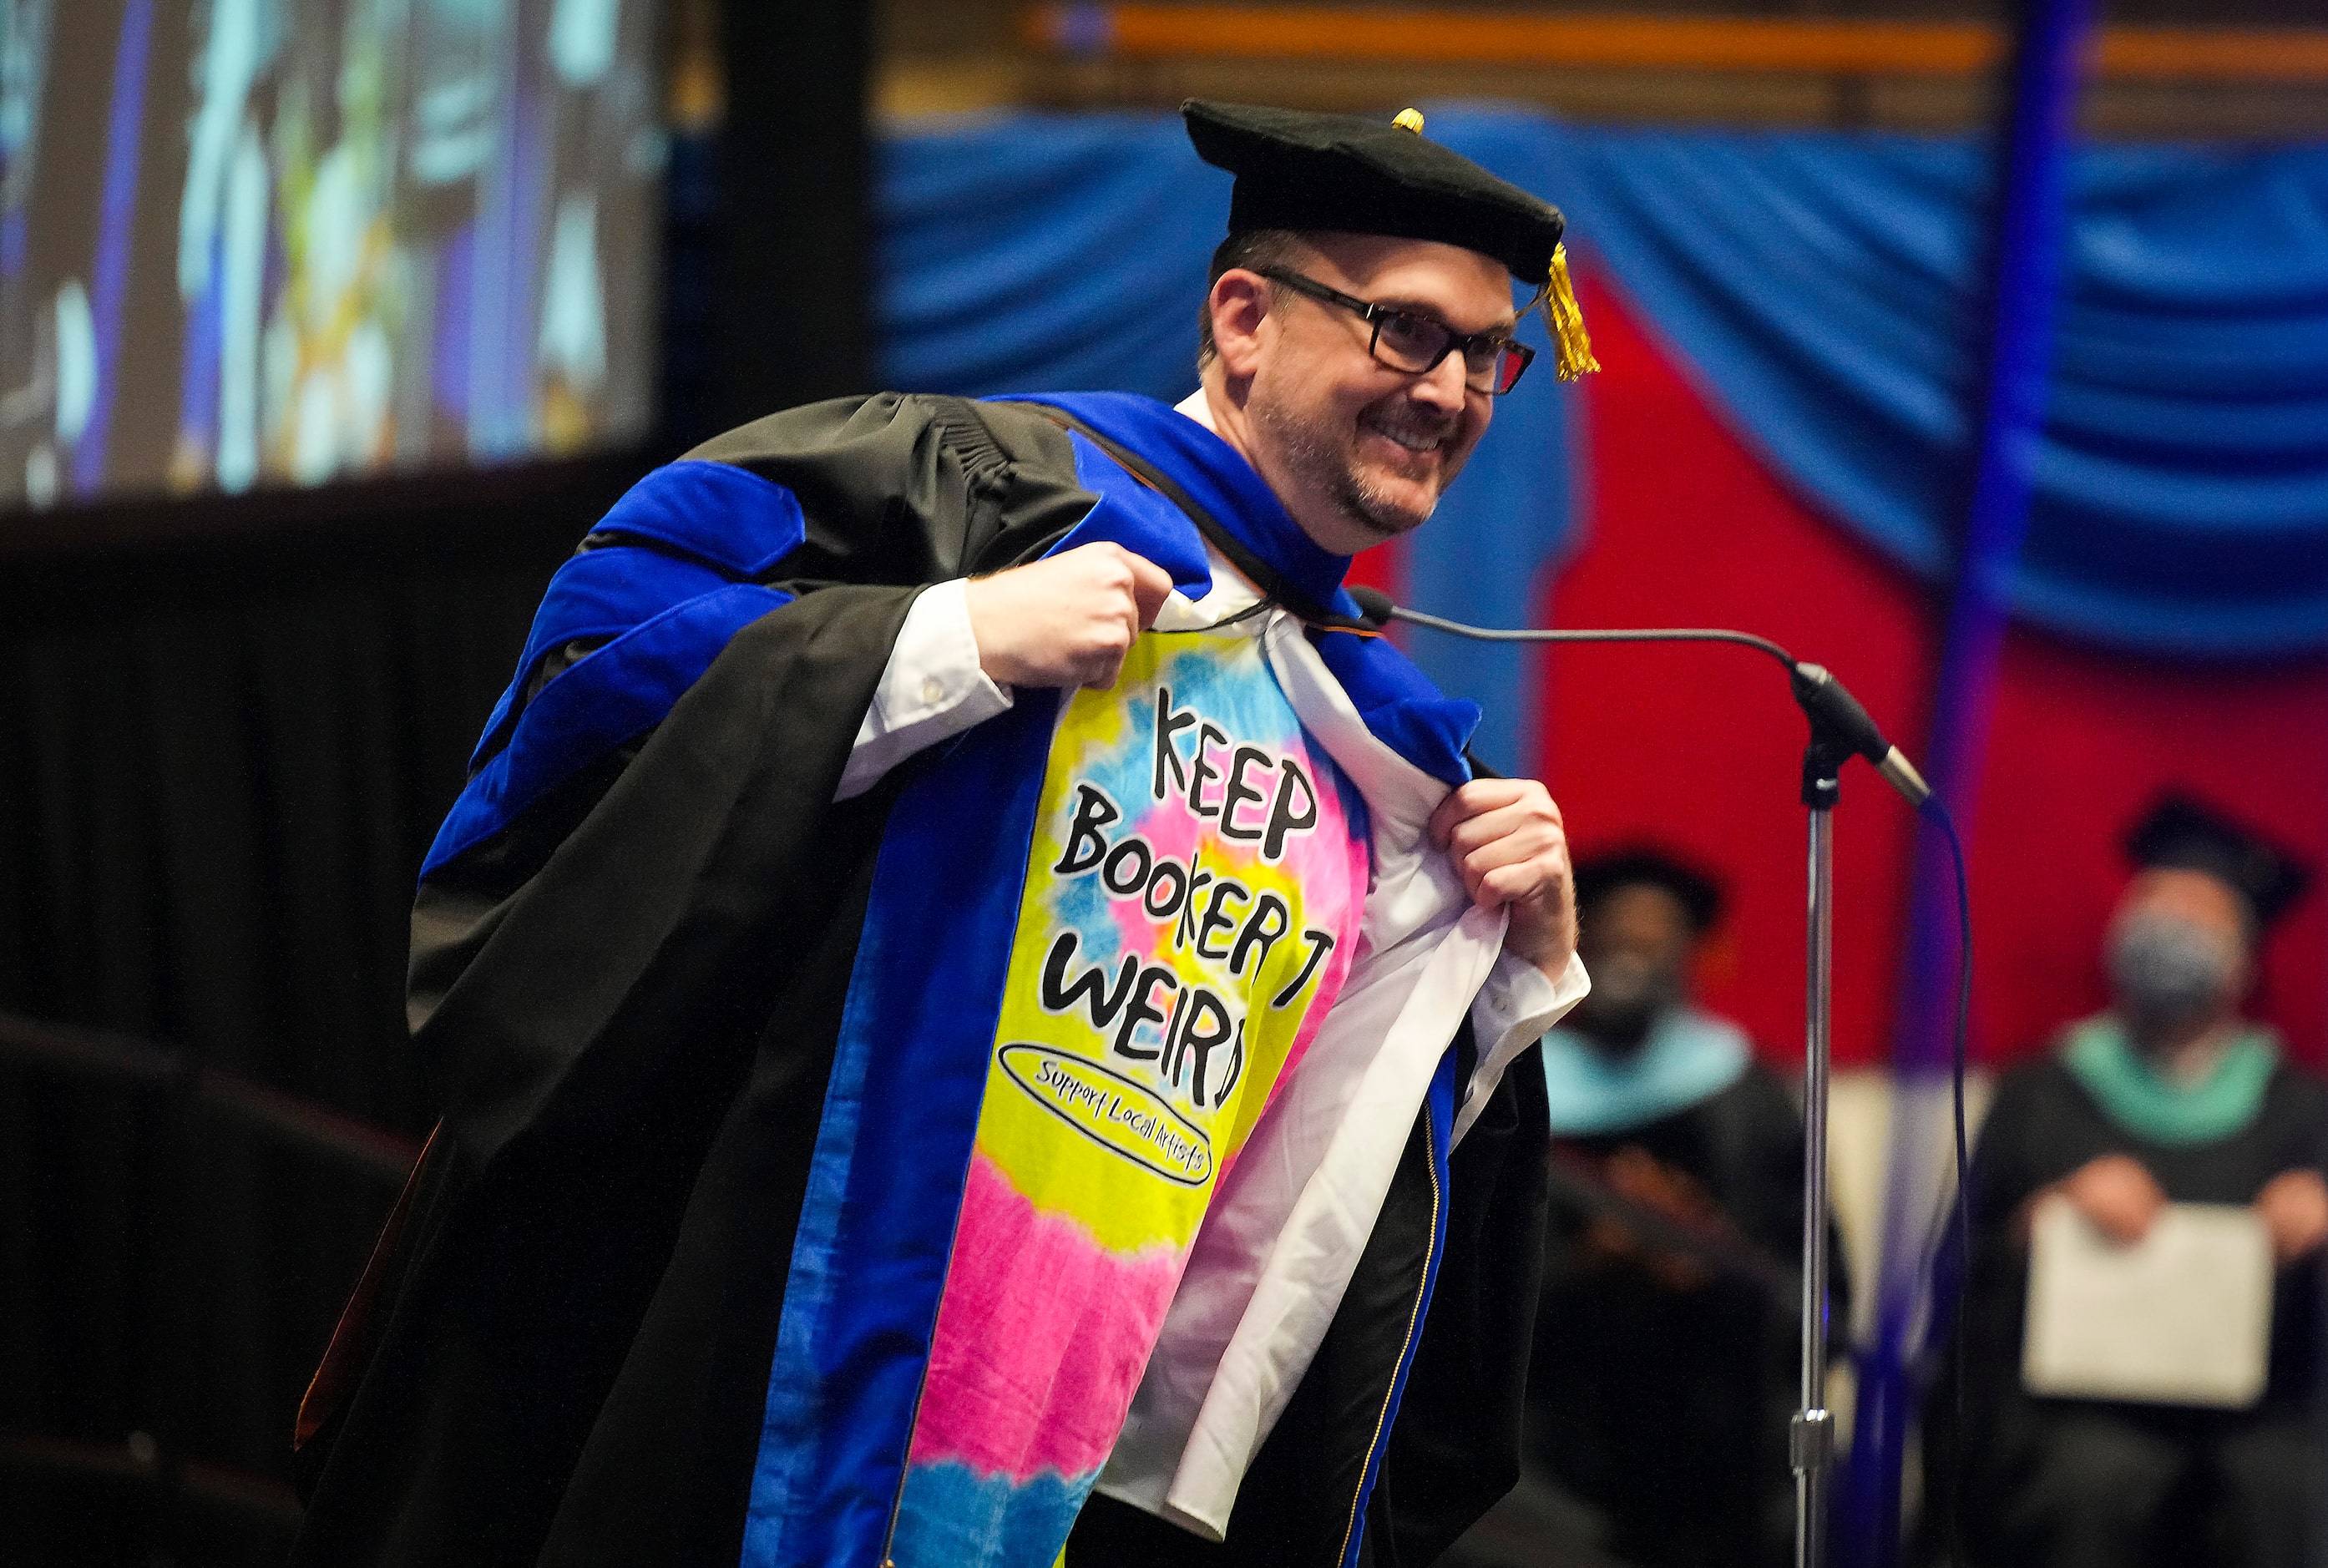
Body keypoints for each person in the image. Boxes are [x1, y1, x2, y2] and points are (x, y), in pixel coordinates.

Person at [288, 102, 1605, 1568]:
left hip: (1052, 1480)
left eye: (1490, 356)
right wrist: (931, 637)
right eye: (1405, 330)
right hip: (757, 1391)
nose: (1454, 390)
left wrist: (1501, 983)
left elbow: (1324, 1230)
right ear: (1241, 319)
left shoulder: (1383, 752)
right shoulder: (971, 493)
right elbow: (600, 663)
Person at [1942, 794, 2325, 1568]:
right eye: (2152, 905)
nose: (2168, 931)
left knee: (2291, 1495)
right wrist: (2041, 1226)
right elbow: (1962, 1289)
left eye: (2198, 914)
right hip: (2074, 1416)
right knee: (2086, 1489)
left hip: (2261, 1417)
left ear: (2244, 960)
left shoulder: (2302, 1109)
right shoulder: (2041, 1093)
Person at [1517, 847, 1827, 1568]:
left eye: (1660, 939)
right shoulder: (1515, 1087)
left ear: (1697, 956)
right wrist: (1586, 1259)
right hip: (1547, 1442)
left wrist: (1708, 1258)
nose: (1637, 954)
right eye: (1618, 933)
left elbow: (1816, 1290)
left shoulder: (1748, 1094)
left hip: (1712, 1453)